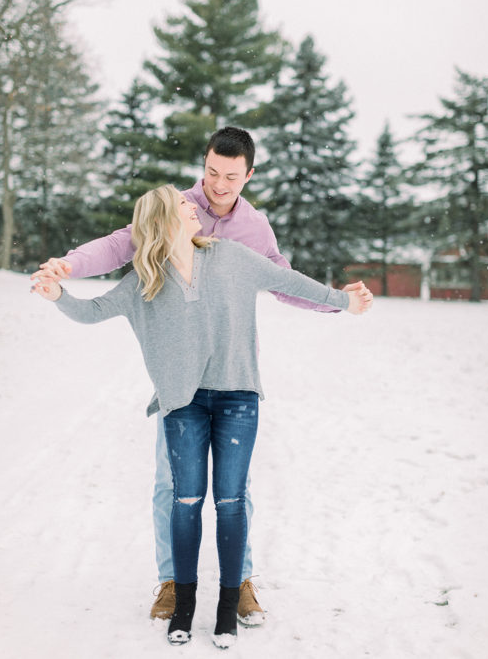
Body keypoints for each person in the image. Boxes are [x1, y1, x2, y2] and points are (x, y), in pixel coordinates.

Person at [31, 126, 368, 625]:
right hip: (181, 376)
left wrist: (339, 303)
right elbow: (120, 245)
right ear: (204, 165)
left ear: (248, 175)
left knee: (235, 490)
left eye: (231, 176)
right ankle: (172, 581)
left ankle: (241, 581)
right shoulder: (175, 207)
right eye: (211, 172)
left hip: (231, 373)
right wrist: (69, 266)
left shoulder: (253, 230)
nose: (217, 184)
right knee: (172, 482)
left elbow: (282, 280)